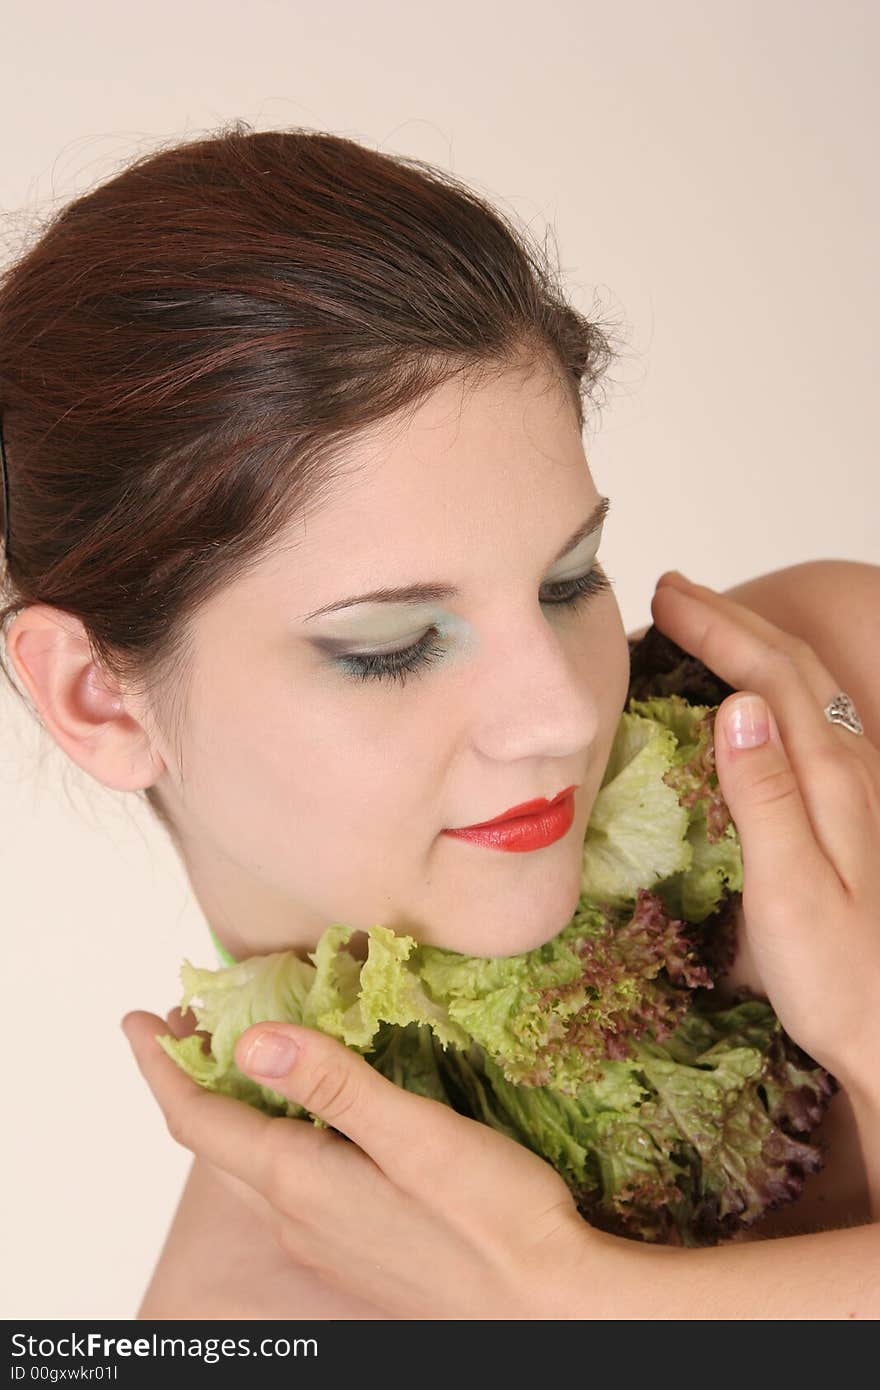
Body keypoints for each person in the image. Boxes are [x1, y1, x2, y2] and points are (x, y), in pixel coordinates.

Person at [1, 123, 877, 1321]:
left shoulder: (841, 691)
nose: (559, 711)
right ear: (95, 694)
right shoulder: (245, 1328)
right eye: (391, 647)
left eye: (569, 580)